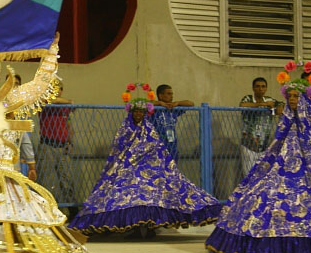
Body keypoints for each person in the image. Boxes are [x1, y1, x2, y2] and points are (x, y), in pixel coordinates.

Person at [205, 67, 311, 253]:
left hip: (310, 175)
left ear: (304, 100)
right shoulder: (286, 122)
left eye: (296, 97)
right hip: (280, 170)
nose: (292, 100)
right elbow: (276, 145)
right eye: (289, 96)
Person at [69, 83, 221, 237]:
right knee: (132, 193)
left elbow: (156, 143)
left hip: (156, 164)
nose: (138, 115)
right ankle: (134, 226)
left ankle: (150, 226)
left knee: (157, 192)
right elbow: (120, 148)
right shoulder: (128, 127)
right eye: (136, 112)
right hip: (131, 167)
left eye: (141, 112)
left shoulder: (151, 127)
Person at [36, 81, 74, 215]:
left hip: (63, 147)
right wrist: (68, 101)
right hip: (48, 145)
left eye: (59, 89)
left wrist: (70, 142)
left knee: (67, 180)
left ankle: (71, 211)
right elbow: (45, 100)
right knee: (49, 182)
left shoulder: (64, 107)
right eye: (54, 89)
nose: (57, 92)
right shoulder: (44, 102)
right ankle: (50, 212)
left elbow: (68, 124)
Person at [238, 77, 282, 177]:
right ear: (253, 88)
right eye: (257, 86)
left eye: (263, 86)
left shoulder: (270, 100)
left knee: (262, 176)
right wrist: (263, 104)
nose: (260, 89)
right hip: (249, 145)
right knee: (248, 174)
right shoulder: (248, 98)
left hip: (265, 146)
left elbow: (280, 108)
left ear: (266, 88)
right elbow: (242, 105)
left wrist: (276, 107)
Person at [149, 84, 194, 162]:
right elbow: (142, 104)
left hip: (171, 144)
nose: (171, 96)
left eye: (172, 94)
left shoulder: (172, 108)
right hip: (157, 144)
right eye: (169, 94)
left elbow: (191, 103)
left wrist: (178, 103)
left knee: (172, 169)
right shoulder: (154, 109)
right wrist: (159, 103)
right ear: (161, 95)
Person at [12, 75, 37, 180]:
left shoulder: (22, 113)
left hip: (14, 166)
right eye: (10, 83)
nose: (13, 86)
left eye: (16, 84)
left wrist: (32, 167)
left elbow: (25, 140)